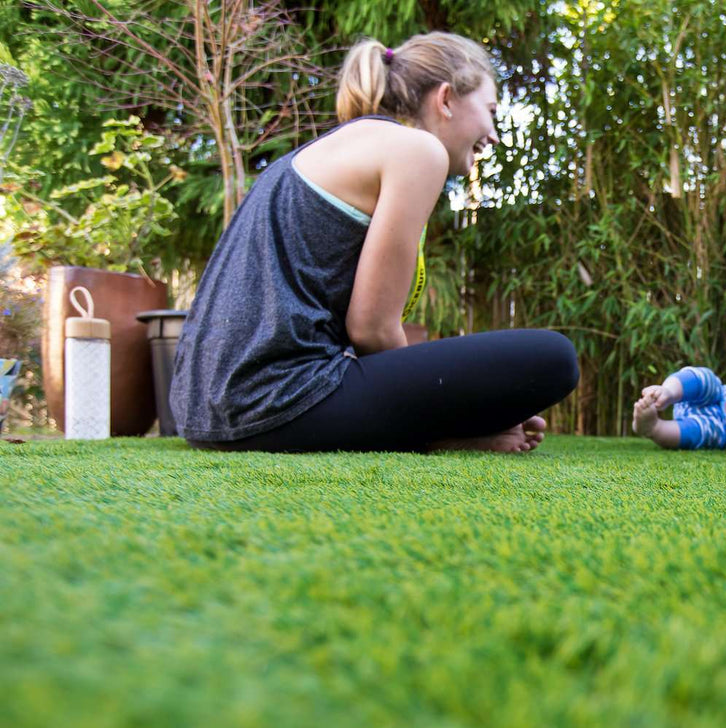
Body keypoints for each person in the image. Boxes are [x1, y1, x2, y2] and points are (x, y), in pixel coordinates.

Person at [170, 32, 578, 453]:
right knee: (553, 358)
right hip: (277, 400)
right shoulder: (418, 150)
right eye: (490, 110)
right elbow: (372, 330)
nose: (493, 134)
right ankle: (446, 437)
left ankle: (451, 432)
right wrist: (460, 407)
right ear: (446, 99)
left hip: (204, 408)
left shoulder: (337, 147)